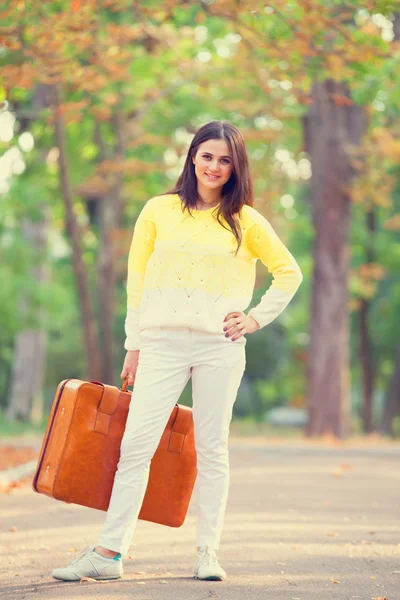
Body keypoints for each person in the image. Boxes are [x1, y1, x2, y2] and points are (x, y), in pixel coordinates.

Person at [51, 120, 303, 582]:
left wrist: (254, 318)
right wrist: (134, 345)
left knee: (212, 450)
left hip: (218, 347)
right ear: (192, 157)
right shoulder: (158, 210)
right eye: (207, 156)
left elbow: (289, 272)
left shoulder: (245, 220)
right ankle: (109, 555)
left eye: (225, 160)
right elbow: (137, 283)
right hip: (161, 343)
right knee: (135, 447)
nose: (214, 166)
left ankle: (207, 552)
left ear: (235, 168)